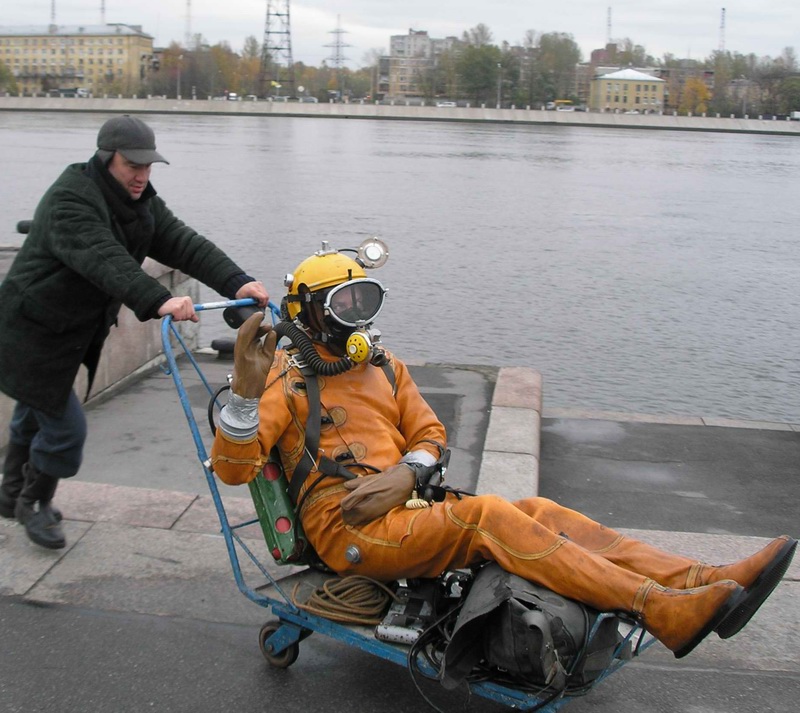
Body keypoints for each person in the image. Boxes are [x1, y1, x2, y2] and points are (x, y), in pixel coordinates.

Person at [210, 242, 796, 660]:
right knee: (490, 516)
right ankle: (661, 608)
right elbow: (236, 472)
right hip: (349, 526)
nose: (361, 319)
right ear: (308, 312)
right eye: (347, 306)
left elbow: (431, 435)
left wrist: (408, 476)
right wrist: (242, 388)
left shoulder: (386, 367)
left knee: (537, 512)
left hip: (402, 509)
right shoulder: (285, 377)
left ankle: (701, 578)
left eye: (368, 302)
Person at [0, 115, 269, 550]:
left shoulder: (136, 202)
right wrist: (157, 299)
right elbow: (103, 256)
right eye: (132, 166)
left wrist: (238, 281)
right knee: (65, 430)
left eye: (148, 167)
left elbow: (183, 242)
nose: (142, 176)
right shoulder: (71, 199)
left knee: (35, 412)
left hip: (66, 330)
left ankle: (9, 493)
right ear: (107, 159)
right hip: (29, 329)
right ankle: (33, 501)